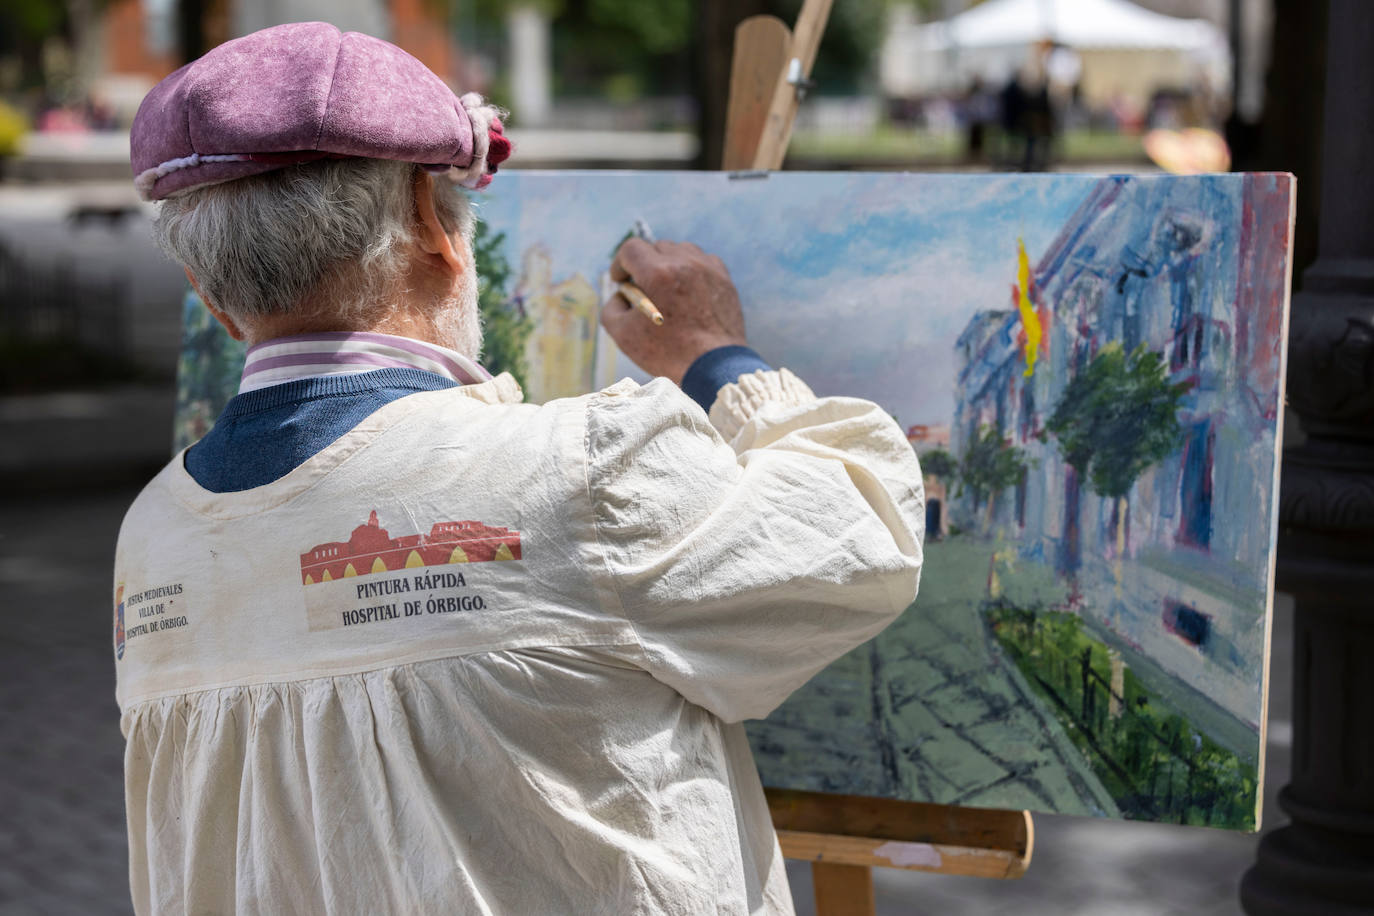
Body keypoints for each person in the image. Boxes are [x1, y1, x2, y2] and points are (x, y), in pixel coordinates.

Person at [115, 21, 924, 915]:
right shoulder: (580, 472)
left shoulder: (154, 540)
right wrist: (714, 354)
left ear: (209, 293)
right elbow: (864, 530)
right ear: (432, 224)